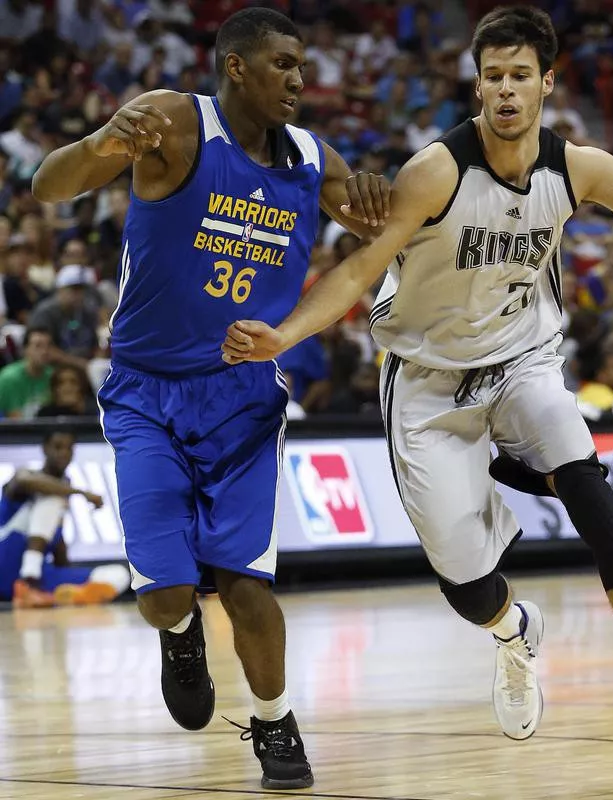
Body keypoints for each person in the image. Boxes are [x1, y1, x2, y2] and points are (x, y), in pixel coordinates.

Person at [222, 5, 613, 766]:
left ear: (546, 85)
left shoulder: (578, 168)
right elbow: (362, 271)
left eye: (520, 76)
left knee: (584, 473)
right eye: (492, 76)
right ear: (477, 87)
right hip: (429, 383)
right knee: (468, 585)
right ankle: (514, 632)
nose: (505, 90)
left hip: (524, 359)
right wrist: (285, 335)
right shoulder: (435, 172)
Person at [32, 7, 389, 791]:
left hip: (243, 396)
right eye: (284, 64)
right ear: (236, 67)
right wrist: (99, 145)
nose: (300, 79)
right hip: (144, 392)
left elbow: (388, 229)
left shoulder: (309, 158)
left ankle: (275, 720)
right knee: (162, 596)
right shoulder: (171, 123)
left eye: (303, 65)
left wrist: (375, 200)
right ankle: (182, 633)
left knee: (246, 581)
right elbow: (46, 184)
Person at [0, 430, 130, 608]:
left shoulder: (57, 509)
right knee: (53, 497)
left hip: (34, 575)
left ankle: (74, 596)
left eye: (69, 448)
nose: (64, 453)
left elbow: (59, 555)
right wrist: (81, 493)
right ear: (45, 449)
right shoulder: (26, 475)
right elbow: (24, 481)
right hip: (5, 562)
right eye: (58, 447)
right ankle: (29, 583)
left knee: (118, 573)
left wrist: (71, 576)